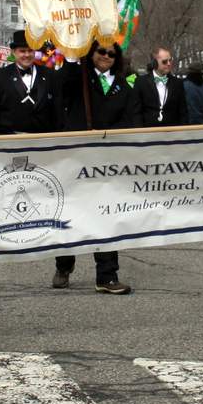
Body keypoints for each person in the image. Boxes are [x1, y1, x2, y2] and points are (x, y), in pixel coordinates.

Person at [54, 41, 139, 292]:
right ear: (91, 54)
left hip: (107, 160)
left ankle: (107, 276)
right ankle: (64, 264)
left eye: (112, 53)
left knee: (106, 215)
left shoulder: (124, 85)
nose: (106, 56)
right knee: (73, 213)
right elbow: (61, 85)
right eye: (101, 51)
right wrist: (72, 57)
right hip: (77, 157)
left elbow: (131, 120)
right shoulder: (78, 78)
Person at [0, 30, 61, 135]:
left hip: (43, 140)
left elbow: (57, 110)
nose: (27, 55)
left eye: (30, 50)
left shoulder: (49, 75)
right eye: (22, 51)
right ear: (14, 52)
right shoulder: (0, 76)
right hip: (10, 142)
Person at [134, 47, 188, 126]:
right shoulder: (141, 82)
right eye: (164, 61)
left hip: (172, 133)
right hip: (148, 133)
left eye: (170, 60)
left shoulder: (178, 83)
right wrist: (140, 133)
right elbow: (136, 112)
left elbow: (183, 112)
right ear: (154, 63)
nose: (169, 64)